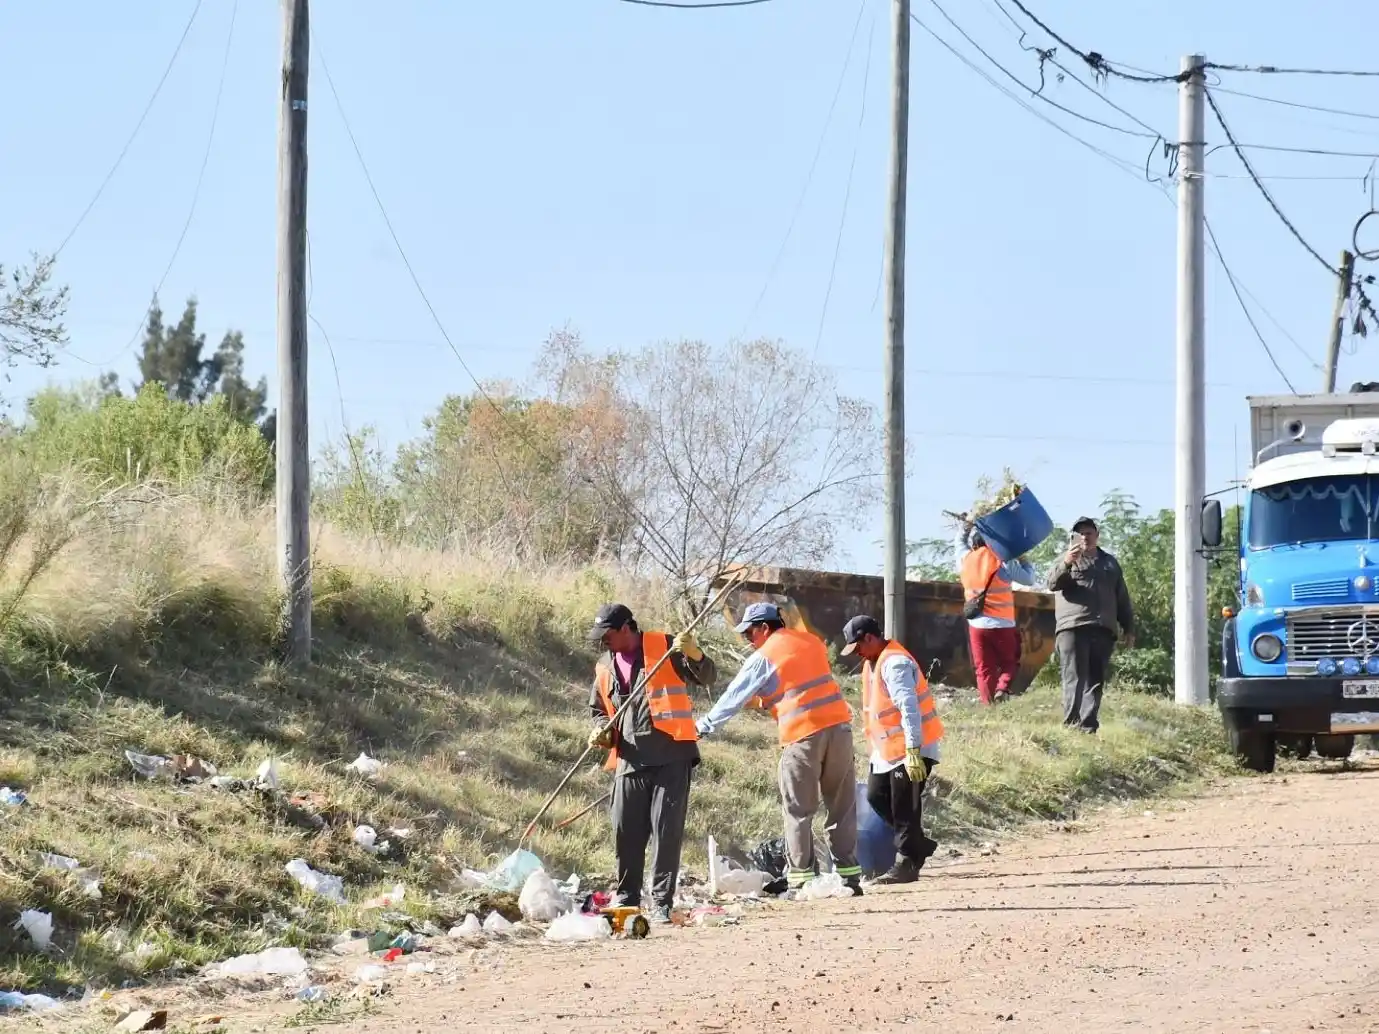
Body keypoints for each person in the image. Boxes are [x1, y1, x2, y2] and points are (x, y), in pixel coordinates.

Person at [695, 602, 864, 896]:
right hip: (839, 730)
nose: (748, 639)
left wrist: (704, 726)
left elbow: (734, 696)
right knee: (842, 808)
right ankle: (849, 878)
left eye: (749, 633)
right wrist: (768, 700)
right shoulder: (811, 641)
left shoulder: (765, 655)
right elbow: (801, 683)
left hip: (803, 736)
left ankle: (801, 880)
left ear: (764, 627)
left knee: (799, 810)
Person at [586, 603, 717, 922]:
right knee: (625, 830)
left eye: (608, 634)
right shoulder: (605, 666)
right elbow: (598, 709)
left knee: (665, 832)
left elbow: (707, 677)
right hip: (629, 759)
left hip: (671, 755)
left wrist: (694, 653)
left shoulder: (666, 646)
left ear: (627, 628)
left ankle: (661, 903)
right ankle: (627, 898)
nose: (604, 642)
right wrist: (600, 730)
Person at [841, 615, 944, 885]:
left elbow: (909, 709)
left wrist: (913, 750)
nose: (857, 654)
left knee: (904, 807)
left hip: (911, 746)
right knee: (877, 796)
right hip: (888, 749)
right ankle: (917, 845)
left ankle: (907, 863)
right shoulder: (874, 662)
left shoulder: (895, 663)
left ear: (870, 638)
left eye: (858, 647)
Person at [1046, 517, 1135, 734]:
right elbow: (1051, 583)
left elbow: (1121, 597)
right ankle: (1070, 725)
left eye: (1089, 532)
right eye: (1080, 533)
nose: (1085, 536)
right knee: (1074, 678)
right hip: (1073, 627)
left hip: (1103, 628)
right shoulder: (1066, 559)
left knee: (1095, 680)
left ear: (1097, 535)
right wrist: (1067, 562)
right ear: (1074, 537)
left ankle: (1088, 727)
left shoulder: (1110, 563)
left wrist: (1129, 627)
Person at [960, 529, 1038, 705]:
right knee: (1009, 662)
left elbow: (959, 542)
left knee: (983, 668)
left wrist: (965, 527)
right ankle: (1002, 689)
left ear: (974, 544)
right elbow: (1029, 579)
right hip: (1003, 623)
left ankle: (988, 706)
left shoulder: (965, 559)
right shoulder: (1003, 561)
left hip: (977, 625)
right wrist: (1023, 558)